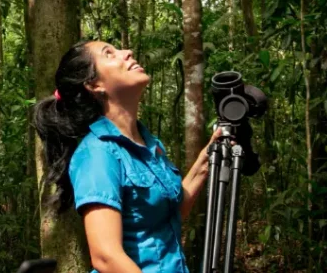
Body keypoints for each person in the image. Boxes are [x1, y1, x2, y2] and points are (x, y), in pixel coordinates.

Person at [35, 41, 223, 273]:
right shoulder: (97, 153)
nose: (128, 52)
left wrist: (207, 160)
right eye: (109, 54)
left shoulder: (149, 144)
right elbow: (106, 257)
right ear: (94, 84)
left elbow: (168, 211)